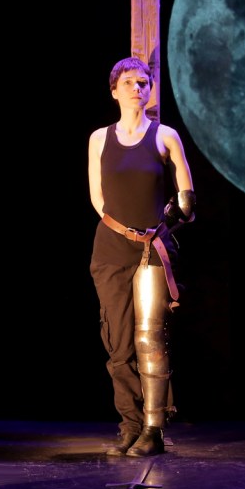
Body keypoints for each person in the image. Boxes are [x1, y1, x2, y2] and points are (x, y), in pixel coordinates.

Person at [88, 56, 196, 457]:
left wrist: (174, 215)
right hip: (112, 246)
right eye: (129, 82)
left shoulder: (165, 135)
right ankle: (130, 425)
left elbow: (187, 198)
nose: (138, 88)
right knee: (118, 345)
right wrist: (124, 230)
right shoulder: (100, 138)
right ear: (114, 90)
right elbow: (97, 197)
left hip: (153, 246)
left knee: (150, 336)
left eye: (144, 82)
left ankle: (153, 428)